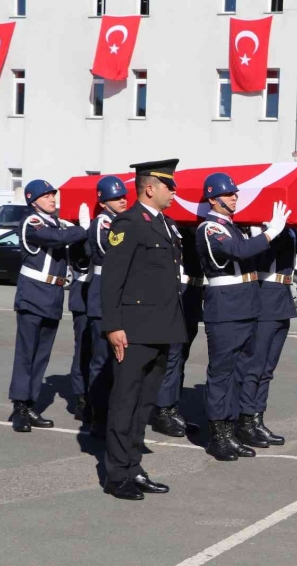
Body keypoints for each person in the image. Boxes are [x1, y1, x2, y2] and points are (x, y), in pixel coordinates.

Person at [101, 160, 188, 500]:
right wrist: (113, 326)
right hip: (133, 330)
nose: (174, 191)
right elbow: (112, 279)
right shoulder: (129, 222)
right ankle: (116, 474)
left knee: (143, 405)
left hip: (162, 328)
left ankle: (133, 466)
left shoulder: (166, 225)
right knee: (125, 402)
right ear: (150, 188)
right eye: (169, 185)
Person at [195, 172, 290, 461]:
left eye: (236, 193)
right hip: (225, 309)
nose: (235, 197)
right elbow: (237, 252)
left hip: (245, 307)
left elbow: (253, 254)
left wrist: (268, 232)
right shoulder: (210, 229)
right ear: (213, 199)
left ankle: (233, 429)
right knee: (222, 374)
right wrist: (270, 232)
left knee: (239, 373)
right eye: (229, 194)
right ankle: (218, 436)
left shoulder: (233, 227)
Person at [7, 180, 88, 433]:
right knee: (26, 354)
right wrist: (83, 228)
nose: (52, 198)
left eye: (53, 194)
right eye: (46, 196)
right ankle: (20, 407)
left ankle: (31, 404)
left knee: (41, 356)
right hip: (33, 293)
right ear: (33, 201)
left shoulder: (59, 223)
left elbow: (65, 238)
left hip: (53, 294)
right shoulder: (33, 222)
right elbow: (53, 238)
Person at [237, 221, 297, 447]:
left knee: (267, 368)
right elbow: (259, 257)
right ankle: (245, 421)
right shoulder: (261, 228)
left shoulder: (289, 229)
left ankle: (257, 418)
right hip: (264, 296)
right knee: (255, 365)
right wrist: (267, 230)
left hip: (282, 298)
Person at [85, 175, 129, 437]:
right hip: (102, 298)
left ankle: (113, 415)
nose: (122, 200)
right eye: (116, 197)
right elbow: (114, 252)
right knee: (101, 362)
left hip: (119, 298)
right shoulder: (102, 224)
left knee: (118, 361)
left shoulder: (120, 222)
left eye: (123, 196)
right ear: (103, 202)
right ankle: (97, 418)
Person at [152, 218, 203, 438]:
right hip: (177, 290)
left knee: (181, 355)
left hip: (193, 293)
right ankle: (163, 411)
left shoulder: (200, 227)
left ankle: (173, 408)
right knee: (171, 355)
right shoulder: (171, 225)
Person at [67, 242, 92, 422]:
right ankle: (81, 398)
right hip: (83, 297)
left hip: (103, 296)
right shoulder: (80, 235)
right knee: (83, 350)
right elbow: (83, 258)